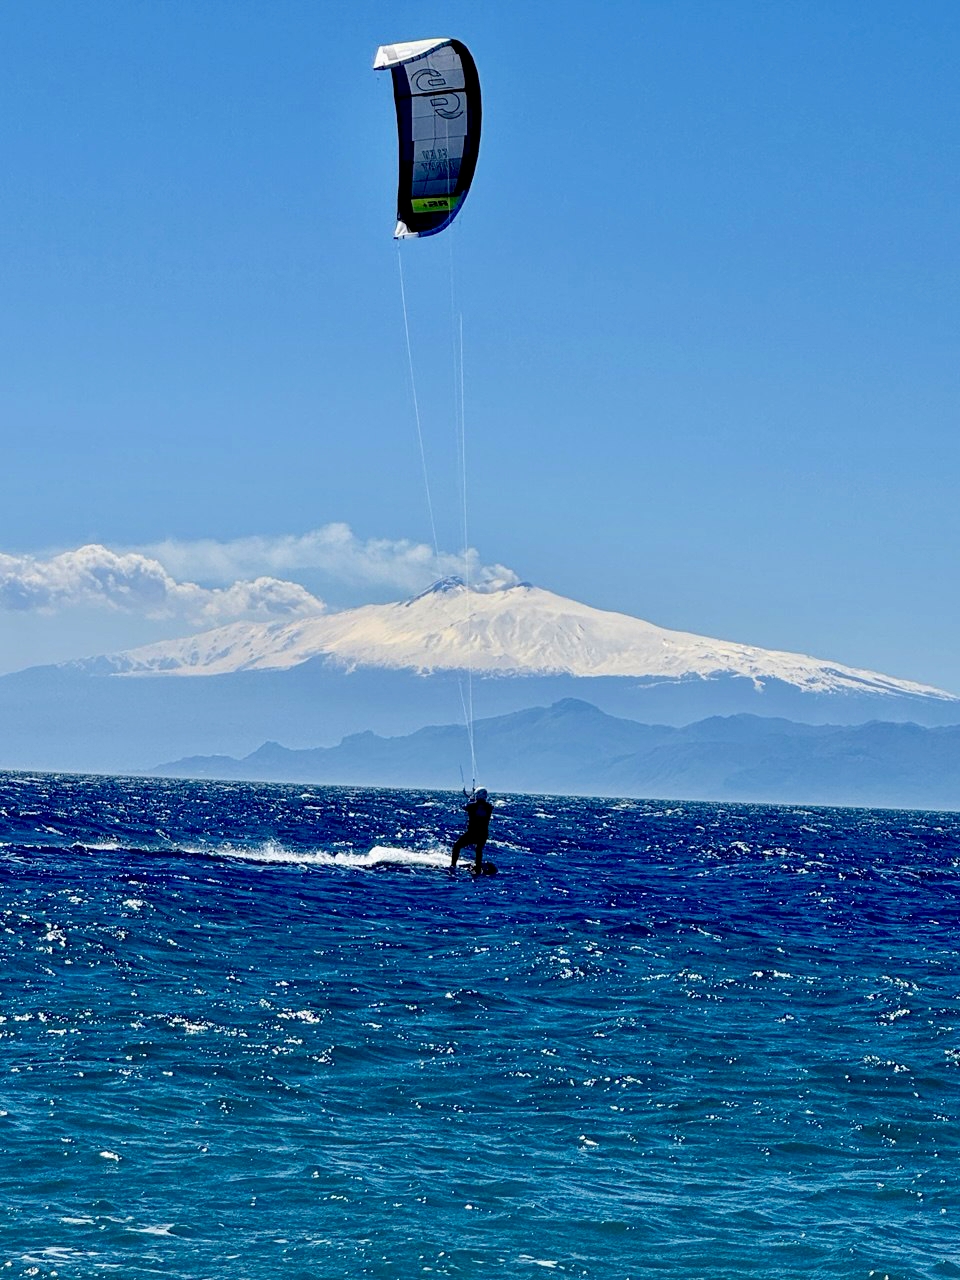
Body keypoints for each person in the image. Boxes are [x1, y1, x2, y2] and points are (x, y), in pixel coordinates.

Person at [450, 787, 493, 874]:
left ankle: (453, 865)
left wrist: (470, 797)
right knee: (479, 849)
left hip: (472, 833)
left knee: (457, 846)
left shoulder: (471, 806)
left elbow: (465, 806)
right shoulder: (489, 807)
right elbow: (482, 805)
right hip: (483, 834)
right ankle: (478, 868)